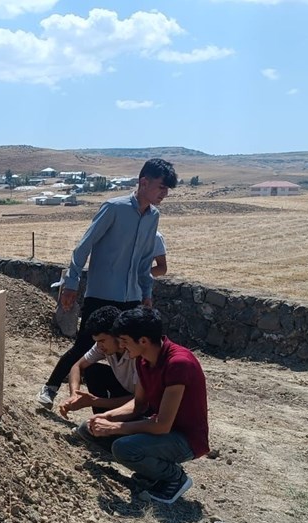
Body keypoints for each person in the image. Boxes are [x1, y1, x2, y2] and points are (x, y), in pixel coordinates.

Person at [37, 158, 177, 406]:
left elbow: (145, 261)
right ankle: (50, 388)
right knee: (84, 345)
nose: (164, 194)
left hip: (132, 297)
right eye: (161, 187)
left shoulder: (153, 216)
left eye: (167, 189)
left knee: (134, 351)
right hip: (101, 294)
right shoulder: (114, 208)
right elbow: (83, 247)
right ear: (144, 182)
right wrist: (71, 282)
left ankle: (133, 400)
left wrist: (146, 292)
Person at [74, 307, 209, 505]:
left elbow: (162, 424)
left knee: (123, 448)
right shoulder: (143, 360)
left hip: (185, 439)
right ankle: (151, 472)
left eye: (125, 341)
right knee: (88, 429)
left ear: (143, 341)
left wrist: (116, 427)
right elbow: (138, 405)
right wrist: (106, 417)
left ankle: (175, 477)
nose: (121, 345)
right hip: (161, 432)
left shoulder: (178, 363)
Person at [58, 305, 136, 417]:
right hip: (125, 391)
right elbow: (77, 366)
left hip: (144, 404)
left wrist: (93, 401)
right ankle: (99, 418)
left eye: (102, 341)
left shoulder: (136, 352)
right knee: (93, 371)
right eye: (97, 341)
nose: (99, 346)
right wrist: (75, 395)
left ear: (117, 335)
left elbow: (141, 400)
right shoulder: (102, 346)